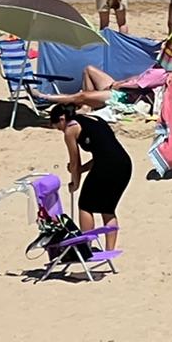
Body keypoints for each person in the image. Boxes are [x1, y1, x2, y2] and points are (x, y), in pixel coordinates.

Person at [49, 103, 131, 249]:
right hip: (124, 164)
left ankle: (86, 247)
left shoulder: (70, 129)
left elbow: (74, 162)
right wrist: (81, 170)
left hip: (107, 166)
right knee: (108, 209)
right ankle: (109, 251)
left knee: (85, 205)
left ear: (62, 119)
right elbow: (103, 154)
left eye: (59, 127)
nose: (61, 131)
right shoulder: (94, 119)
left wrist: (75, 183)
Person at [39, 64, 167, 111]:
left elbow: (137, 85)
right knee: (89, 69)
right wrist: (120, 82)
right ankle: (87, 106)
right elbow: (138, 77)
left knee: (81, 96)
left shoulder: (162, 72)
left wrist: (118, 86)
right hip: (122, 88)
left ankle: (45, 97)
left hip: (127, 96)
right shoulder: (157, 65)